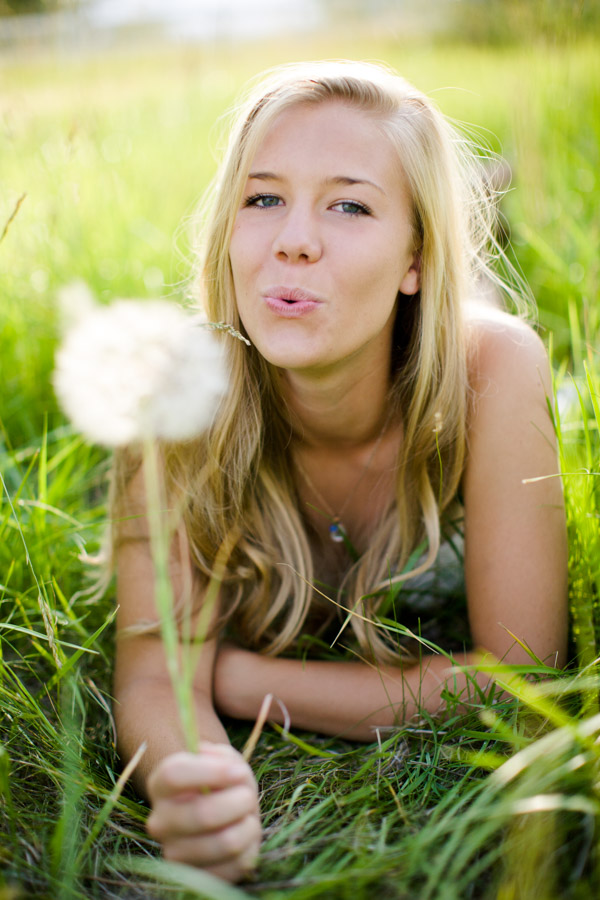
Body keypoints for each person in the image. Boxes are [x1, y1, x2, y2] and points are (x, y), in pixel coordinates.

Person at [111, 60, 568, 882]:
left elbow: (518, 678)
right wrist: (196, 777)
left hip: (443, 333)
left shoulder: (494, 369)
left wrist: (238, 678)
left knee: (486, 294)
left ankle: (480, 208)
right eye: (263, 198)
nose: (294, 237)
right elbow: (154, 676)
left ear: (413, 259)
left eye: (350, 204)